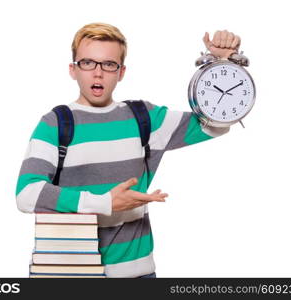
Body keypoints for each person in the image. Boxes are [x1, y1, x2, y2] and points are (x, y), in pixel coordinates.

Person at [16, 23, 241, 278]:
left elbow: (214, 123)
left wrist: (223, 65)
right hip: (72, 274)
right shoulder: (55, 123)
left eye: (109, 64)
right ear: (73, 70)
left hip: (139, 276)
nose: (98, 73)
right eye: (88, 63)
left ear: (121, 72)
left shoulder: (144, 118)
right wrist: (104, 203)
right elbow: (27, 194)